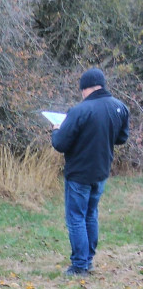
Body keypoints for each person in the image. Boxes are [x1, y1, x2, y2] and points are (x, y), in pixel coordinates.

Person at [51, 67, 130, 277]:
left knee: (76, 217)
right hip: (101, 171)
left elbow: (59, 143)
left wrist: (57, 129)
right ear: (101, 85)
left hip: (79, 173)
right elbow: (122, 138)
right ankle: (89, 259)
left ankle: (79, 265)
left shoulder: (80, 111)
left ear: (85, 89)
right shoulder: (120, 107)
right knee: (90, 214)